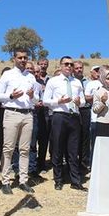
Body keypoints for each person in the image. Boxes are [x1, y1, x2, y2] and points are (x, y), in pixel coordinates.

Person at [0, 49, 38, 194]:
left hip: (27, 114)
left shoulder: (31, 77)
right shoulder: (8, 75)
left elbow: (37, 99)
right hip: (12, 113)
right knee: (8, 149)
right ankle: (5, 181)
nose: (23, 60)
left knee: (25, 149)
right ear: (14, 59)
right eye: (20, 57)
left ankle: (23, 180)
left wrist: (32, 96)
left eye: (25, 57)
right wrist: (11, 96)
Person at [43, 56, 86, 191]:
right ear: (60, 66)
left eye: (71, 64)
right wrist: (59, 102)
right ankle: (58, 180)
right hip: (59, 116)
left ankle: (75, 181)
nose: (69, 66)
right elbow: (45, 100)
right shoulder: (53, 81)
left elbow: (83, 101)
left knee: (73, 151)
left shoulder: (77, 83)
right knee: (58, 148)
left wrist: (80, 102)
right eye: (66, 64)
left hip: (74, 116)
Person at [73, 61, 92, 173]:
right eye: (77, 68)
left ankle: (84, 163)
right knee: (75, 137)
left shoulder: (88, 82)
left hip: (85, 110)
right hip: (74, 110)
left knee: (85, 137)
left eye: (81, 68)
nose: (79, 70)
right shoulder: (70, 82)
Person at [84, 65, 103, 156]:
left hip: (106, 117)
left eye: (99, 70)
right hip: (95, 117)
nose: (98, 72)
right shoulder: (90, 84)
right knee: (94, 142)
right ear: (91, 72)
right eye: (95, 70)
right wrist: (97, 96)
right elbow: (86, 97)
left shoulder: (106, 82)